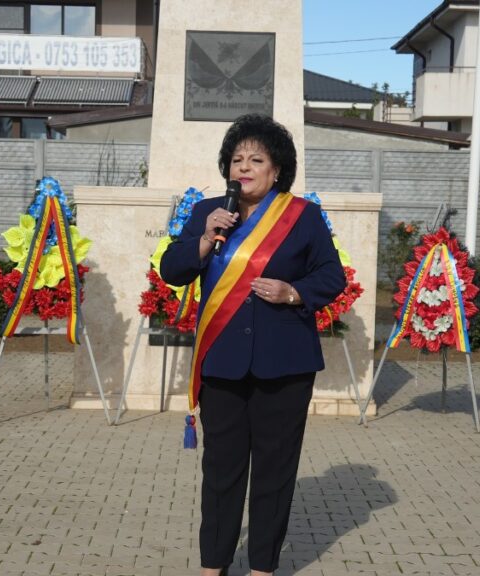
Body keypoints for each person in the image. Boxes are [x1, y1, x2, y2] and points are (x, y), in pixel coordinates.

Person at [161, 114, 346, 576]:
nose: (243, 168)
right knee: (220, 474)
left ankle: (262, 566)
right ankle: (213, 566)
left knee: (274, 472)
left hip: (284, 364)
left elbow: (331, 275)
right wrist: (204, 241)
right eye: (236, 160)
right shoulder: (209, 213)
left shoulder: (301, 216)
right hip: (222, 362)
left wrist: (294, 292)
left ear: (277, 169)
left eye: (255, 160)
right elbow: (173, 270)